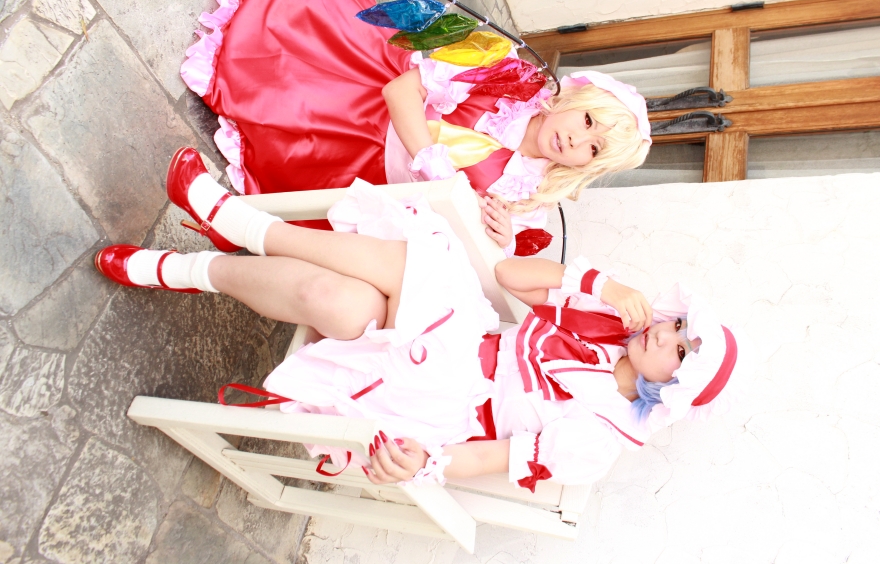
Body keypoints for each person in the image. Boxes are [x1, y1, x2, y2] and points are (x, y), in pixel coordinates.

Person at [97, 148, 743, 489]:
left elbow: (489, 458)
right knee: (374, 283)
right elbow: (510, 277)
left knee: (334, 299)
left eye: (680, 350)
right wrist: (600, 282)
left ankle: (198, 255)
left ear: (671, 388)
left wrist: (423, 464)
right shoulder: (607, 324)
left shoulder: (600, 439)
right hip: (464, 331)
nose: (667, 333)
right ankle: (226, 234)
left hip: (443, 398)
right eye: (679, 325)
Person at [180, 0, 651, 255]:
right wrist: (433, 166)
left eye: (594, 149)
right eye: (588, 121)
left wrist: (501, 239)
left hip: (378, 198)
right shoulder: (511, 79)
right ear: (574, 99)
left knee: (309, 220)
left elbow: (475, 253)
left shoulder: (533, 198)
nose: (577, 140)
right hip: (370, 117)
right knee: (285, 24)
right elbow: (400, 90)